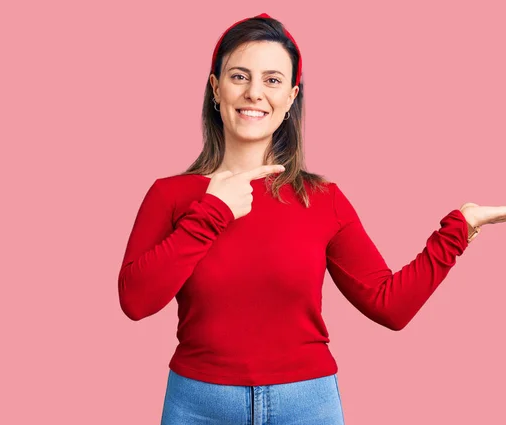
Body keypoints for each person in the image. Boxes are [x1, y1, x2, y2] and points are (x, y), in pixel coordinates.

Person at [118, 12, 504, 425]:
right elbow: (136, 302)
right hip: (198, 405)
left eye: (272, 80)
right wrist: (212, 212)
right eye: (239, 76)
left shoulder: (323, 200)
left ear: (290, 97)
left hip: (305, 405)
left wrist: (460, 229)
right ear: (216, 89)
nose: (254, 93)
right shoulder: (171, 196)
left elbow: (389, 305)